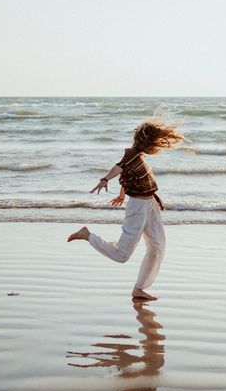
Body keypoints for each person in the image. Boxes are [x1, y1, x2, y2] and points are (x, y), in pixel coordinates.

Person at [67, 119, 189, 301]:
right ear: (149, 142)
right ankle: (87, 235)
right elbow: (119, 167)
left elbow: (126, 176)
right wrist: (105, 179)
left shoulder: (138, 156)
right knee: (122, 255)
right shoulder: (131, 155)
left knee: (157, 248)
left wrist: (122, 195)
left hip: (150, 205)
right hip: (138, 208)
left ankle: (139, 289)